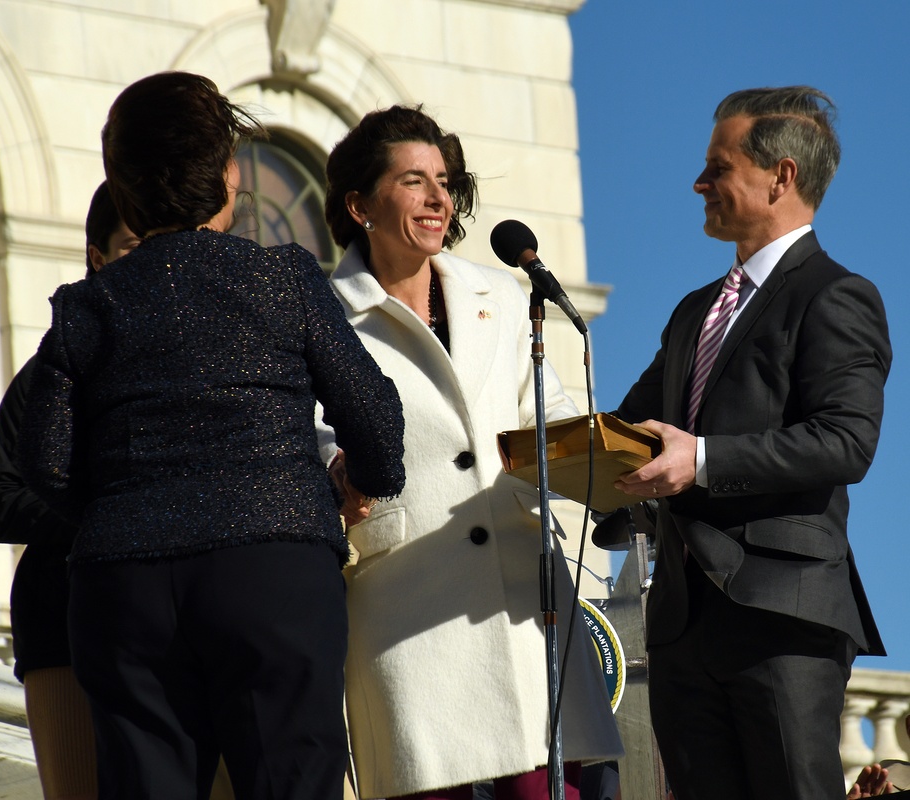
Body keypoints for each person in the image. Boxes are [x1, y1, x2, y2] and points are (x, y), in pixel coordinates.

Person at [17, 71, 406, 800]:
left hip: (124, 585)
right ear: (230, 178)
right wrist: (355, 481)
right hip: (274, 567)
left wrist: (127, 508)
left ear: (122, 186)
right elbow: (376, 419)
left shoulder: (85, 305)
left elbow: (44, 464)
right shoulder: (283, 277)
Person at [319, 104, 623, 800]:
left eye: (445, 181)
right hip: (410, 619)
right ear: (359, 203)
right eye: (414, 180)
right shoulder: (322, 313)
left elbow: (541, 411)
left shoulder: (502, 297)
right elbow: (316, 441)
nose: (437, 198)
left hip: (525, 610)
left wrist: (599, 448)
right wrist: (338, 479)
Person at [613, 86, 892, 800]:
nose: (699, 183)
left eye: (718, 166)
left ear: (782, 176)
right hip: (680, 629)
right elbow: (633, 437)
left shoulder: (836, 294)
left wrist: (700, 461)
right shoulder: (691, 313)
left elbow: (846, 442)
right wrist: (556, 469)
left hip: (782, 620)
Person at [0, 181, 137, 800]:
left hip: (168, 627)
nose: (143, 262)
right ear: (96, 255)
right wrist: (101, 515)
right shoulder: (51, 367)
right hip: (61, 622)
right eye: (130, 246)